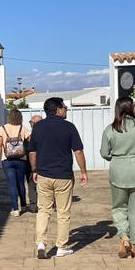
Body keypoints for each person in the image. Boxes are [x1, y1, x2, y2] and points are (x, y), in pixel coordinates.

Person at [28, 97, 88, 259]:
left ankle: (41, 242)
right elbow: (78, 151)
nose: (66, 109)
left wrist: (34, 170)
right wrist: (83, 171)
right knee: (63, 212)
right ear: (58, 109)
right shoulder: (69, 127)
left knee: (43, 210)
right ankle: (61, 246)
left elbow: (32, 152)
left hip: (43, 175)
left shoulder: (38, 127)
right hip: (63, 176)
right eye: (64, 107)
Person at [100, 96, 135, 258]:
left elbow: (104, 153)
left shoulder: (110, 129)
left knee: (119, 206)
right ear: (132, 108)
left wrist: (117, 157)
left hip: (118, 170)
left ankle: (124, 237)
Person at [0, 109, 31, 216]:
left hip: (7, 160)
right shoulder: (22, 128)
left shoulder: (3, 128)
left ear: (9, 117)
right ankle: (23, 205)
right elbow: (31, 141)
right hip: (21, 160)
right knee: (21, 183)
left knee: (12, 184)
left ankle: (15, 209)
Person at [25, 114, 43, 211]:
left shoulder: (29, 136)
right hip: (45, 162)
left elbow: (29, 152)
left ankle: (33, 205)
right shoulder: (47, 134)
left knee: (31, 183)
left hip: (32, 163)